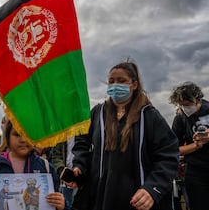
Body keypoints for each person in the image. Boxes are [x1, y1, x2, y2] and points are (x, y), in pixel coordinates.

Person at [72, 61, 179, 210]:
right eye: (111, 81)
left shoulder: (149, 115)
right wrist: (79, 167)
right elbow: (82, 142)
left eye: (121, 81)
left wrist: (152, 188)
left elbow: (168, 155)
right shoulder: (98, 113)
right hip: (101, 195)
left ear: (134, 85)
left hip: (137, 196)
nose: (115, 85)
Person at [0, 119, 65, 210]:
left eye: (28, 134)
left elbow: (57, 199)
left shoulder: (46, 167)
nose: (23, 139)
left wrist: (62, 204)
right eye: (17, 134)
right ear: (7, 137)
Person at [169, 81, 209, 210]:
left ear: (198, 100)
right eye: (182, 106)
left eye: (188, 105)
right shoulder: (180, 118)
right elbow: (175, 149)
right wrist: (196, 145)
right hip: (195, 171)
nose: (185, 109)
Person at [51, 141, 78, 210]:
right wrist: (62, 171)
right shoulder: (62, 132)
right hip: (66, 181)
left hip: (83, 182)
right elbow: (56, 155)